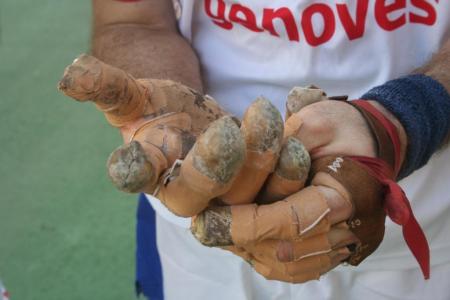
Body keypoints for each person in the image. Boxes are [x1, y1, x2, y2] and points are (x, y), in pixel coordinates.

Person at [91, 0, 450, 299]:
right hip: (203, 233)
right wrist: (175, 123)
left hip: (428, 223)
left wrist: (400, 120)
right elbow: (132, 19)